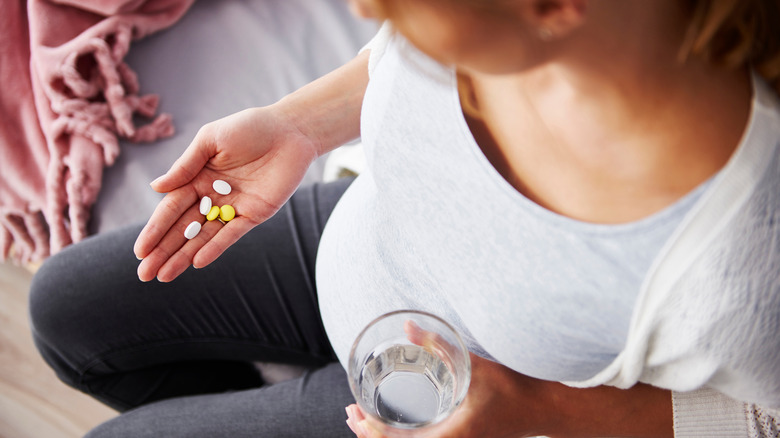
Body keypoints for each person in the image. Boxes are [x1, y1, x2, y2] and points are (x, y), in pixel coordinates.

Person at [29, 0, 780, 436]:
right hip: (367, 231)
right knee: (64, 308)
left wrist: (533, 408)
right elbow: (396, 53)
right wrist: (299, 126)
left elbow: (761, 420)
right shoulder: (541, 22)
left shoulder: (739, 266)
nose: (362, 9)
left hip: (457, 405)